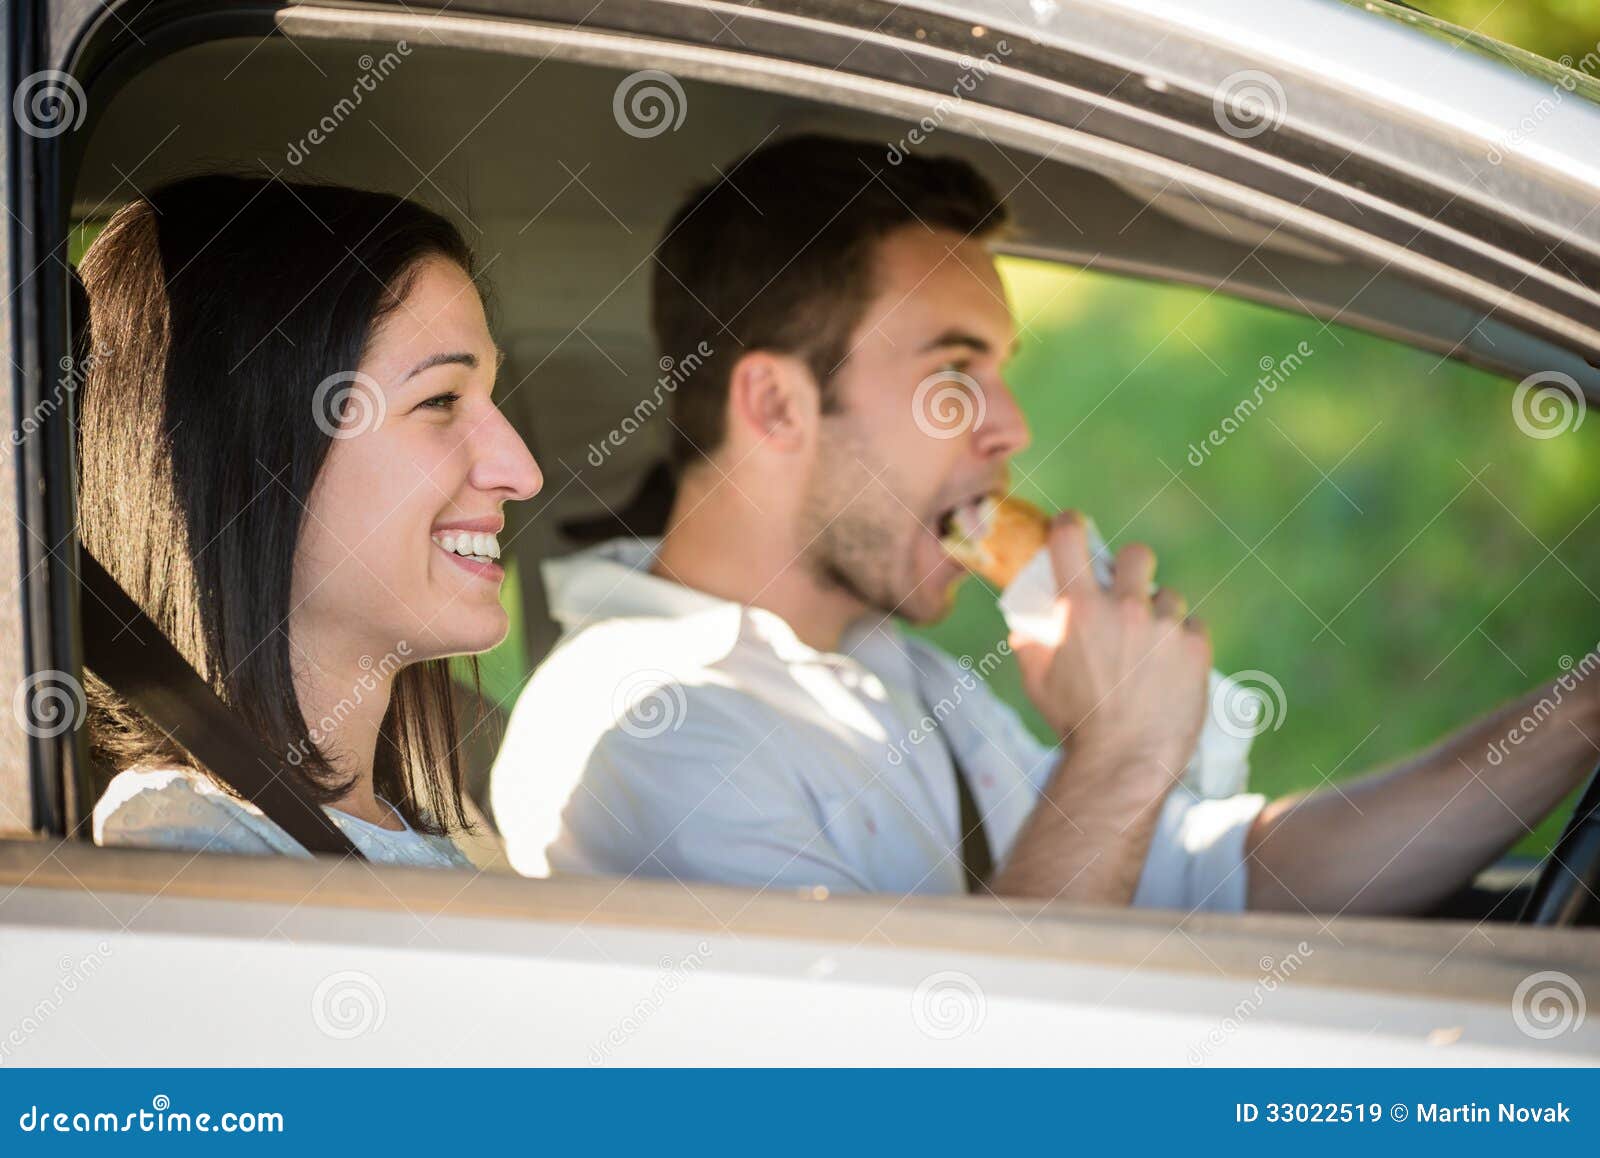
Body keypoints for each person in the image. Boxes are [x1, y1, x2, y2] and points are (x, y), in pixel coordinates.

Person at [490, 135, 1598, 913]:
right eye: (954, 373)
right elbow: (931, 1097)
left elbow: (1237, 884)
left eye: (1003, 371)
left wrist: (1578, 720)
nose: (1011, 426)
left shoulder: (906, 684)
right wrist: (1117, 754)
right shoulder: (651, 725)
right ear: (776, 404)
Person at [84, 174, 540, 865]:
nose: (521, 470)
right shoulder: (196, 854)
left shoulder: (417, 832)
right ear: (257, 451)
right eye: (441, 399)